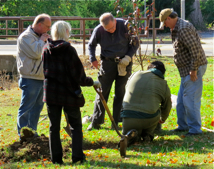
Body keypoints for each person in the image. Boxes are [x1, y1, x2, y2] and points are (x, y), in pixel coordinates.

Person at [42, 20, 100, 164]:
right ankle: (77, 158)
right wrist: (91, 81)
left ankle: (56, 159)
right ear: (66, 32)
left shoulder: (45, 49)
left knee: (53, 127)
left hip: (51, 92)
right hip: (69, 93)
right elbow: (78, 76)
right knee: (75, 125)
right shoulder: (69, 49)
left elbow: (45, 71)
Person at [159, 8, 207, 136]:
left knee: (190, 100)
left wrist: (193, 70)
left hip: (193, 68)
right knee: (180, 101)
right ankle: (183, 126)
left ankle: (195, 129)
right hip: (185, 70)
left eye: (165, 23)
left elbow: (195, 50)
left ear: (169, 18)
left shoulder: (183, 29)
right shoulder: (175, 27)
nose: (164, 26)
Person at [87, 12, 139, 130]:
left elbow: (136, 43)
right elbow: (91, 45)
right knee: (102, 92)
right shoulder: (98, 30)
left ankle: (116, 122)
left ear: (115, 20)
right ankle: (96, 121)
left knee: (120, 93)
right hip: (107, 64)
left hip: (124, 63)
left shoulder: (126, 26)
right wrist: (93, 59)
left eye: (112, 27)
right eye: (107, 29)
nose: (111, 30)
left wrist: (128, 56)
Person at [16, 13, 51, 138]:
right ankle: (23, 134)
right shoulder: (26, 37)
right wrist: (42, 41)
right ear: (39, 24)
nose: (48, 29)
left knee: (37, 108)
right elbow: (37, 53)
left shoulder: (40, 36)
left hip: (42, 77)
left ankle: (32, 132)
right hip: (30, 78)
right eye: (47, 26)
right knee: (26, 107)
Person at [121, 61, 172, 144]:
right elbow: (167, 106)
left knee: (129, 132)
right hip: (148, 119)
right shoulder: (163, 84)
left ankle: (132, 136)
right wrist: (163, 119)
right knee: (158, 109)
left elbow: (127, 89)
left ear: (149, 67)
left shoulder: (135, 74)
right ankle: (148, 135)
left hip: (128, 117)